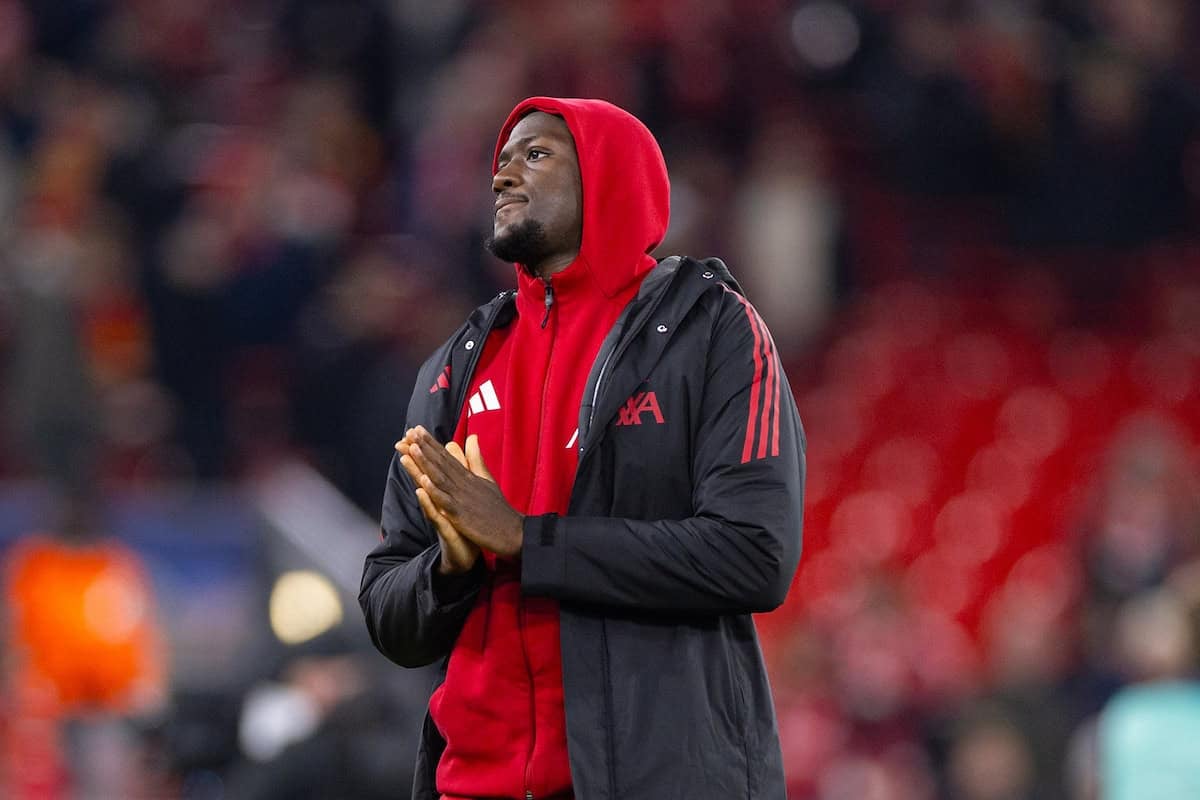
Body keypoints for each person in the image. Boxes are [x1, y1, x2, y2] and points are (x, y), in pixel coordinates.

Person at [359, 96, 805, 800]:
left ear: (609, 176)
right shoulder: (459, 364)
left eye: (535, 155)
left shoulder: (713, 329)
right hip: (471, 786)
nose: (503, 175)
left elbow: (755, 553)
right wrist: (448, 570)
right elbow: (389, 612)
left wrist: (527, 540)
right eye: (501, 161)